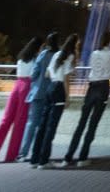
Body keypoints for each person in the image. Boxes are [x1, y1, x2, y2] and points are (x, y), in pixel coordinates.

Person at [60, 31, 110, 167]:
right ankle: (82, 157)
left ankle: (68, 157)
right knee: (93, 124)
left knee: (81, 123)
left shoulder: (94, 53)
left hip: (91, 87)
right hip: (103, 87)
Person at [0, 37, 43, 164]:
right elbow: (34, 75)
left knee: (5, 120)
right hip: (27, 86)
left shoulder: (21, 56)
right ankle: (11, 155)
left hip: (16, 86)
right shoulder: (35, 59)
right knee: (20, 122)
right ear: (38, 47)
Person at [30, 33, 78, 169]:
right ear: (75, 45)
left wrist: (56, 75)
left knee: (43, 124)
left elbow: (47, 73)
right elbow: (67, 79)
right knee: (51, 127)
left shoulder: (57, 54)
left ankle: (35, 159)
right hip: (59, 90)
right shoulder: (70, 56)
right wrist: (68, 97)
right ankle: (44, 161)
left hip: (50, 88)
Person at [17, 32, 59, 161]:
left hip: (37, 92)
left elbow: (34, 73)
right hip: (49, 93)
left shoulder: (42, 54)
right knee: (43, 126)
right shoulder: (57, 56)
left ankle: (23, 153)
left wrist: (35, 83)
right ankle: (39, 152)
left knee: (31, 124)